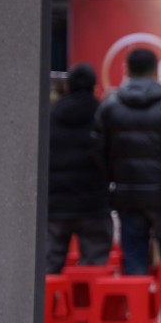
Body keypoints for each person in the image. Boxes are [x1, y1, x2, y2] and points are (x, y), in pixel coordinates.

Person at [93, 48, 161, 318]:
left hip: (127, 195)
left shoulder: (110, 107)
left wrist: (114, 178)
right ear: (155, 71)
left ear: (127, 70)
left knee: (134, 258)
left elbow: (97, 151)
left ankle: (138, 320)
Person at [46, 63, 114, 273]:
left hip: (55, 205)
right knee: (93, 268)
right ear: (95, 87)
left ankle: (49, 296)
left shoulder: (50, 116)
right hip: (94, 204)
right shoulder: (103, 115)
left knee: (48, 267)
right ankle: (86, 296)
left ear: (67, 87)